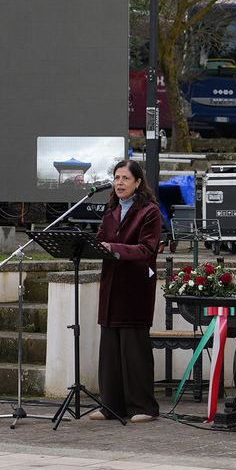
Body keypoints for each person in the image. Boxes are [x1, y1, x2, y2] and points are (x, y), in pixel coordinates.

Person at [87, 159, 162, 423]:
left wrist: (114, 248)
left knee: (133, 350)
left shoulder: (150, 212)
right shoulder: (111, 211)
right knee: (110, 350)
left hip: (135, 288)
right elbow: (100, 242)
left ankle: (143, 407)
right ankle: (111, 406)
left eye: (125, 178)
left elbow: (147, 250)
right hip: (111, 287)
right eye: (117, 178)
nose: (119, 182)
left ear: (138, 182)